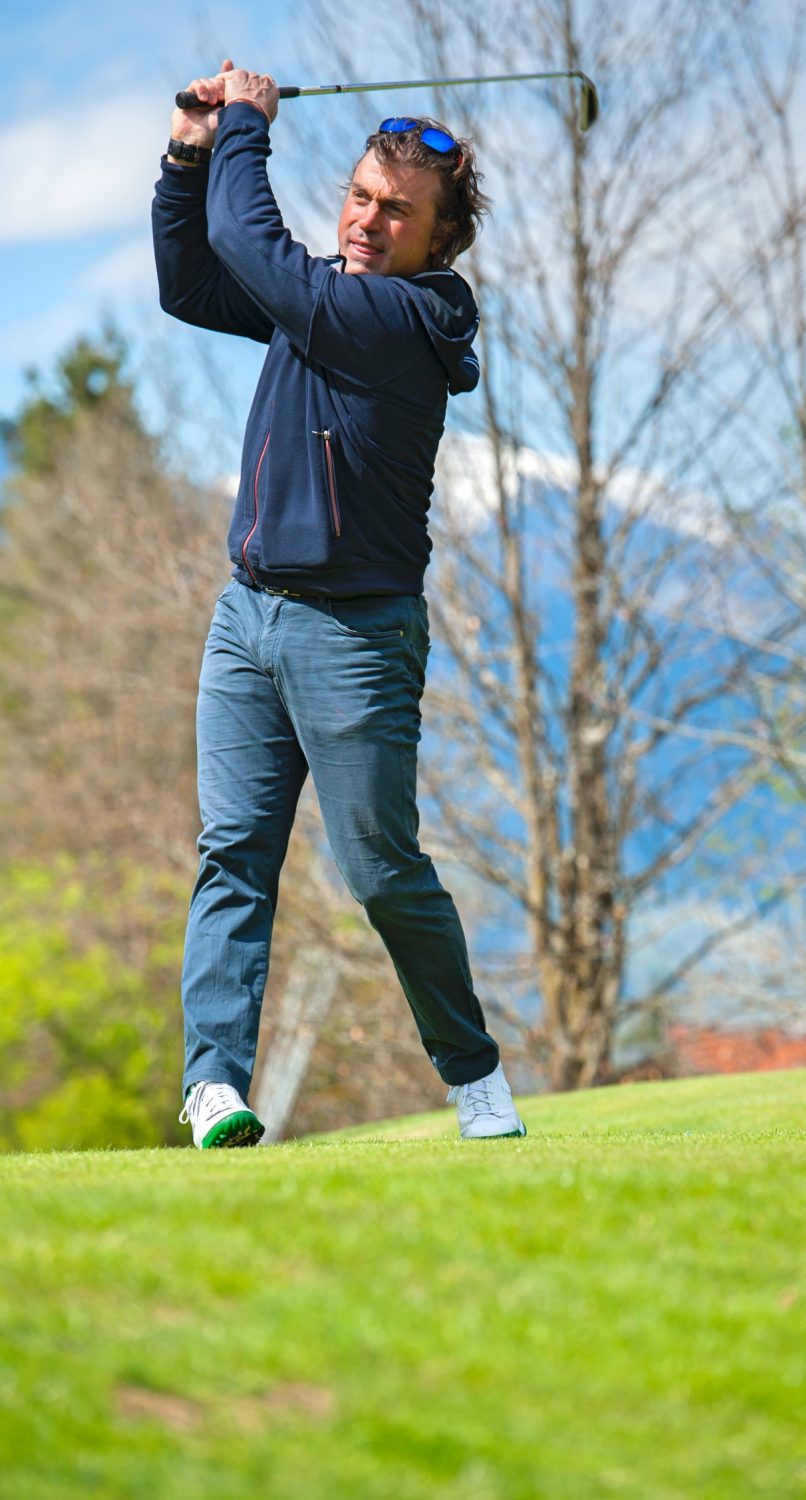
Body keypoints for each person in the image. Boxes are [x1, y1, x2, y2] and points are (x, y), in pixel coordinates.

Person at [152, 59, 526, 1148]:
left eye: (394, 211)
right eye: (359, 197)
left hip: (354, 637)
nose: (365, 221)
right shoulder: (318, 300)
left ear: (436, 242)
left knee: (378, 868)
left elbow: (250, 249)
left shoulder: (401, 323)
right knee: (232, 851)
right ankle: (214, 1084)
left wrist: (245, 131)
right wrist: (188, 149)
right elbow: (192, 278)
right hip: (248, 617)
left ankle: (473, 1076)